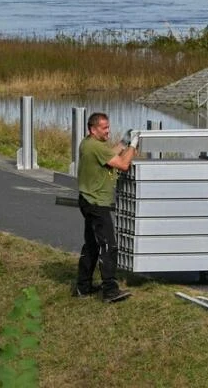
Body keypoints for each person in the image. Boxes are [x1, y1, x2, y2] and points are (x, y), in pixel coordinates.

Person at [73, 112, 139, 303]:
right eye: (104, 128)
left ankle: (82, 287)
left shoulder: (89, 143)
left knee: (92, 245)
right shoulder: (95, 146)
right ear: (93, 129)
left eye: (108, 127)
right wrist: (133, 146)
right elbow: (124, 164)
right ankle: (110, 290)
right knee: (109, 246)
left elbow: (111, 152)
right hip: (96, 204)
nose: (108, 131)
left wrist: (124, 142)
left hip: (87, 199)